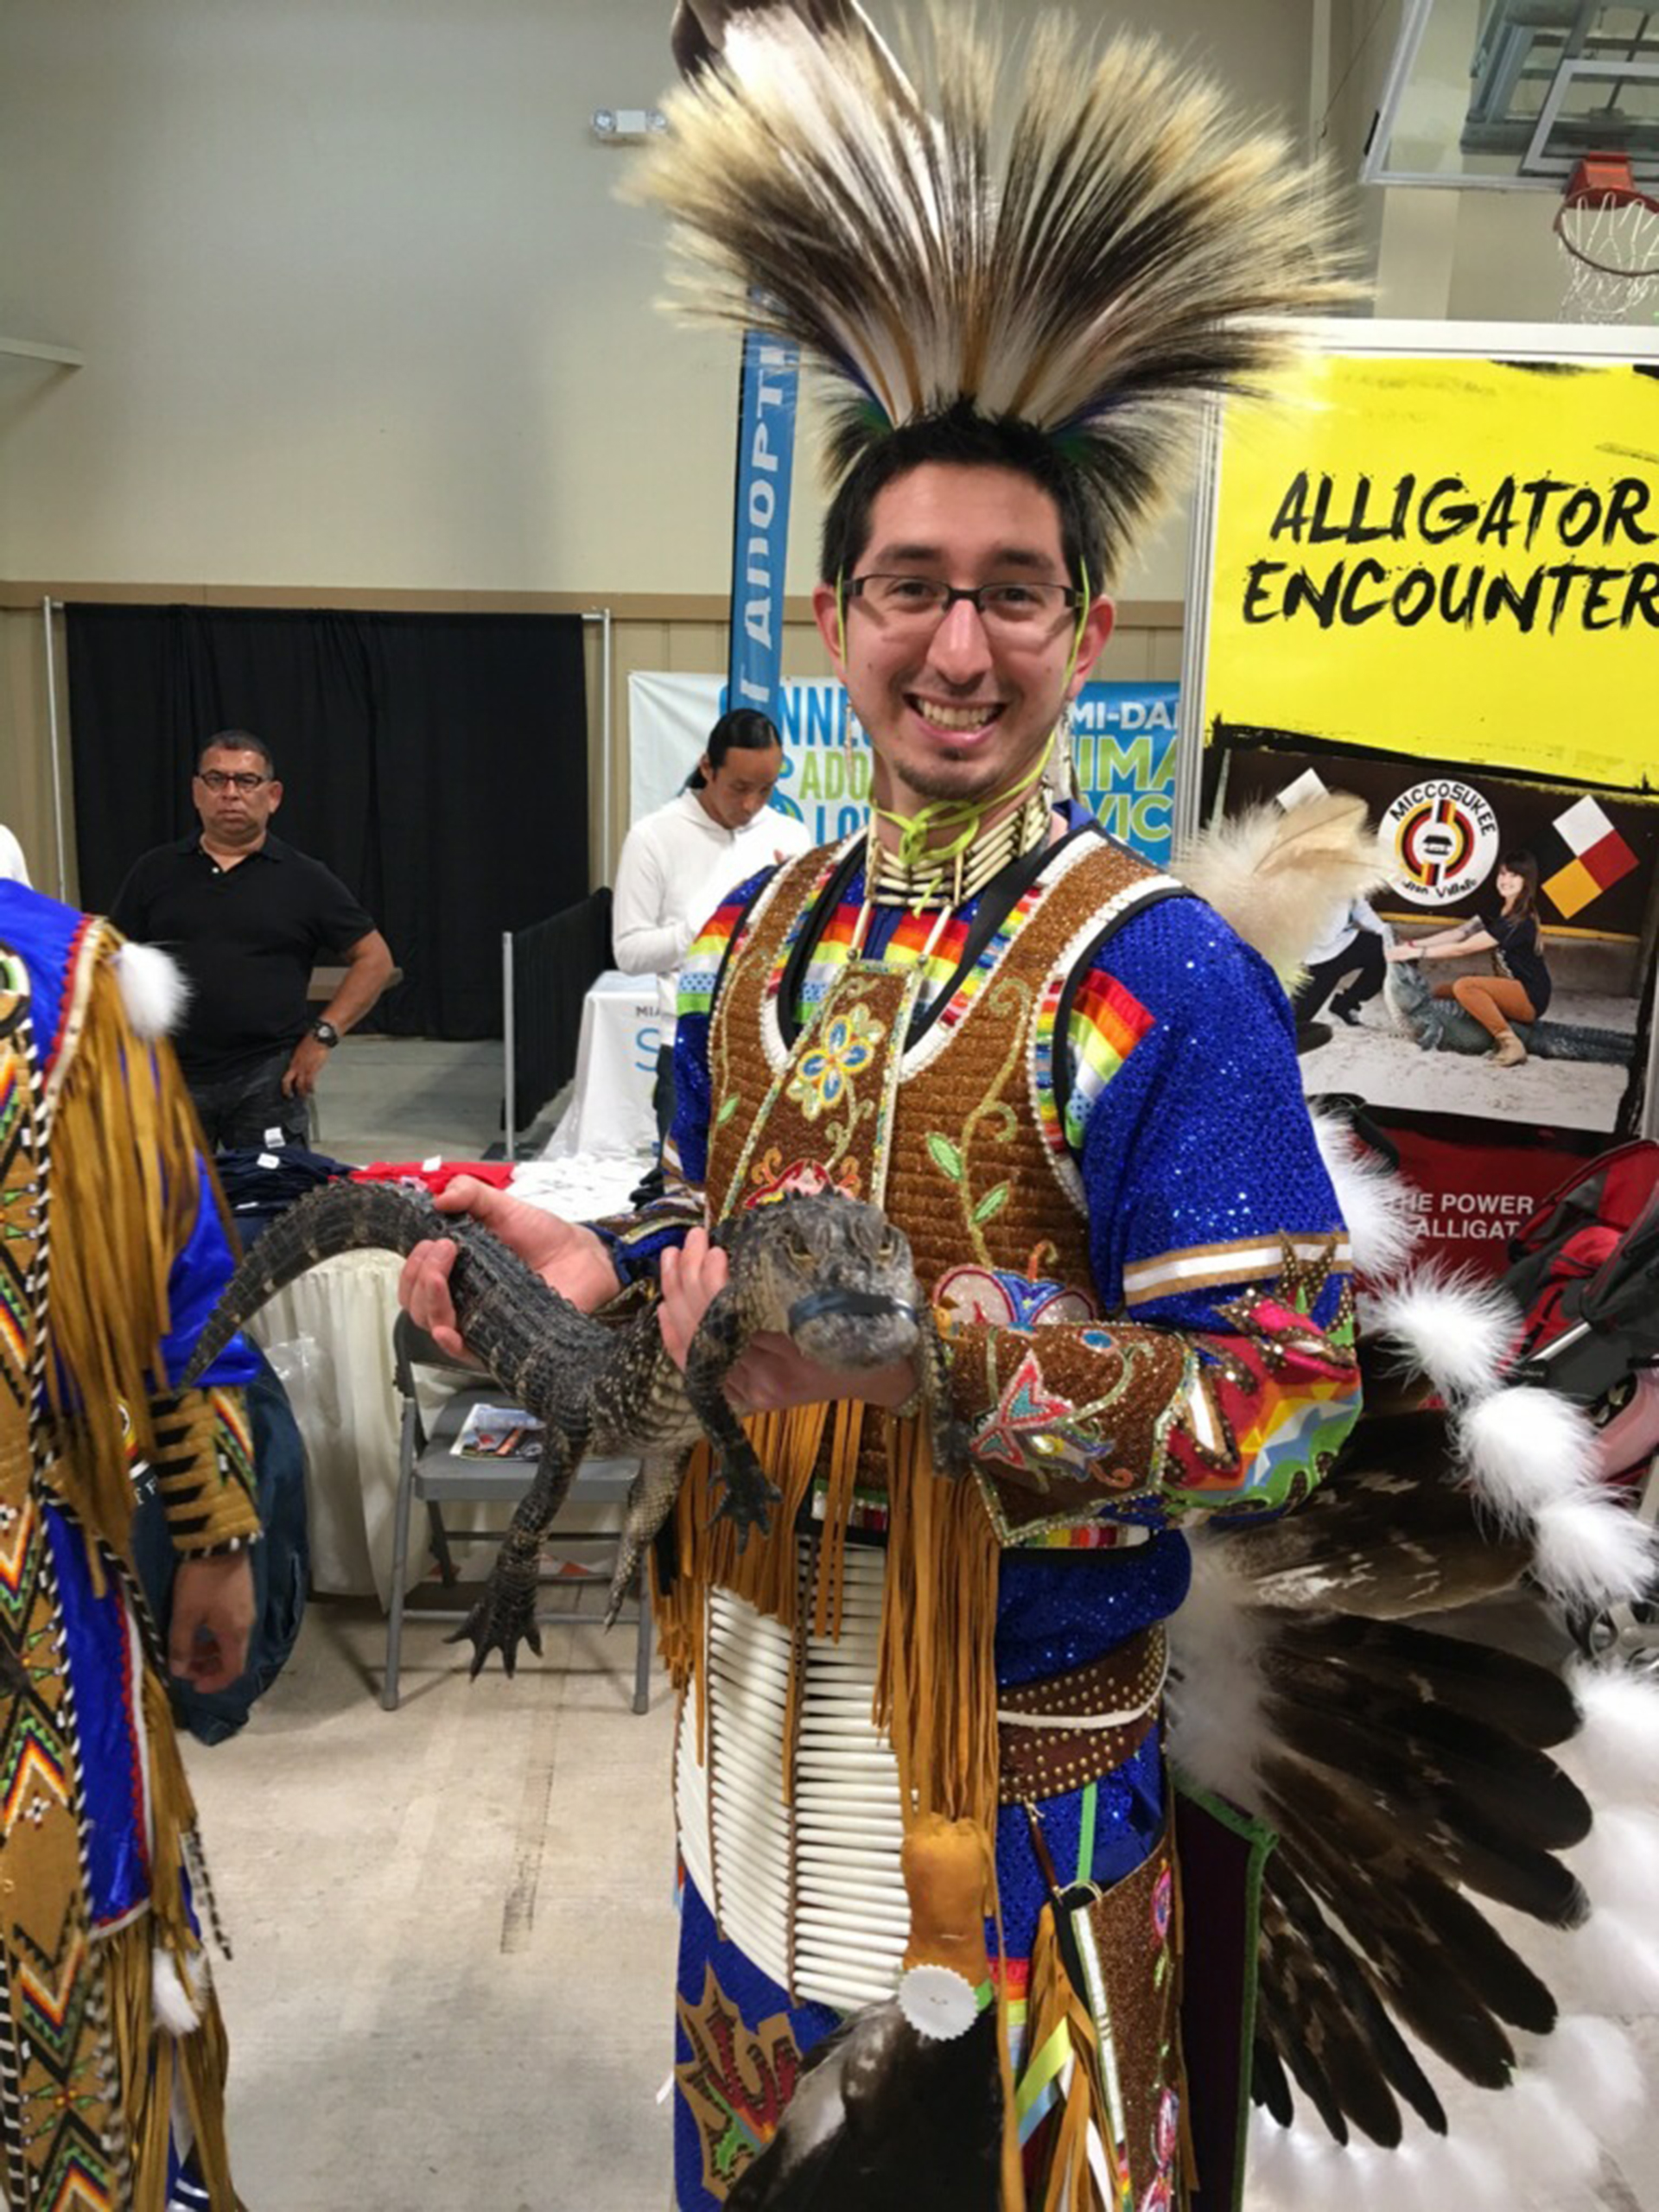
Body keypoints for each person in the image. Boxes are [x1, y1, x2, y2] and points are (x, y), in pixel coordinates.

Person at [400, 12, 1359, 2206]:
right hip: (751, 1722)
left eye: (1009, 593)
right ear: (838, 615)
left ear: (1079, 623)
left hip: (1015, 1785)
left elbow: (1289, 1403)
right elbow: (697, 1227)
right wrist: (604, 1272)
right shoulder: (772, 934)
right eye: (912, 587)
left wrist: (938, 1343)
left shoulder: (1154, 975)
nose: (958, 643)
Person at [0, 874, 262, 2208]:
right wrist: (212, 1539)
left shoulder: (67, 987)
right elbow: (187, 1298)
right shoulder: (67, 987)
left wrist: (211, 1535)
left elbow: (179, 1290)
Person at [111, 730, 394, 1147]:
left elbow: (376, 959)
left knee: (273, 1208)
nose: (230, 793)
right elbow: (111, 959)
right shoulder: (154, 872)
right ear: (196, 791)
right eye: (216, 780)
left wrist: (323, 1038)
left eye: (246, 781)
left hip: (268, 1080)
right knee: (171, 1212)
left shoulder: (305, 878)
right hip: (169, 1077)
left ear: (273, 795)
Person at [612, 708, 811, 1154]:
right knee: (686, 1198)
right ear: (707, 768)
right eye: (739, 788)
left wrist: (798, 914)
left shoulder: (791, 835)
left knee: (768, 1195)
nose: (751, 804)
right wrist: (704, 927)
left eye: (766, 790)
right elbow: (629, 952)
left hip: (769, 1045)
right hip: (686, 1046)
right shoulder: (654, 837)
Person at [1386, 850, 1550, 1066]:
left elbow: (1463, 949)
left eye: (1514, 875)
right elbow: (1458, 934)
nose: (1505, 880)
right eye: (1502, 874)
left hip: (1531, 997)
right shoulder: (1497, 908)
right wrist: (1413, 945)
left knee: (1466, 987)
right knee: (1443, 991)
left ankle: (1510, 1043)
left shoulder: (1519, 922)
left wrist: (1417, 954)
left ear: (1526, 881)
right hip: (1512, 987)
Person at [1291, 892, 1392, 1035]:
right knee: (1294, 1025)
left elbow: (1360, 907)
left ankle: (1346, 1004)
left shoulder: (1351, 877)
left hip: (1346, 942)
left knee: (1387, 951)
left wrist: (1385, 931)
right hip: (1316, 958)